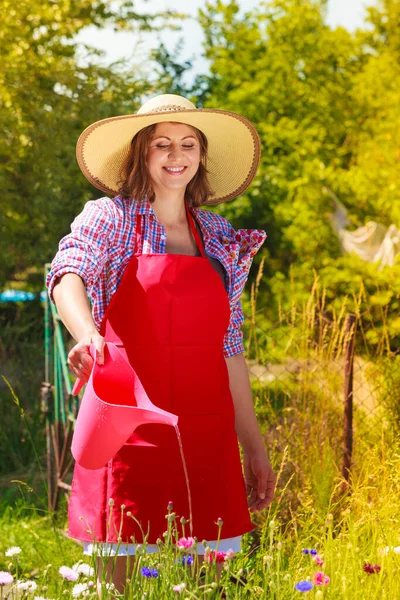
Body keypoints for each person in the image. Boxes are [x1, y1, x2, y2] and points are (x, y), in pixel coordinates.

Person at [46, 93, 276, 590]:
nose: (177, 155)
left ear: (201, 155)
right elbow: (68, 275)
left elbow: (229, 347)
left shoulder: (216, 234)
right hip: (129, 427)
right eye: (162, 144)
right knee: (120, 584)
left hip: (206, 429)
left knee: (205, 584)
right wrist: (86, 332)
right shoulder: (110, 219)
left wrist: (253, 443)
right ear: (141, 154)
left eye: (188, 144)